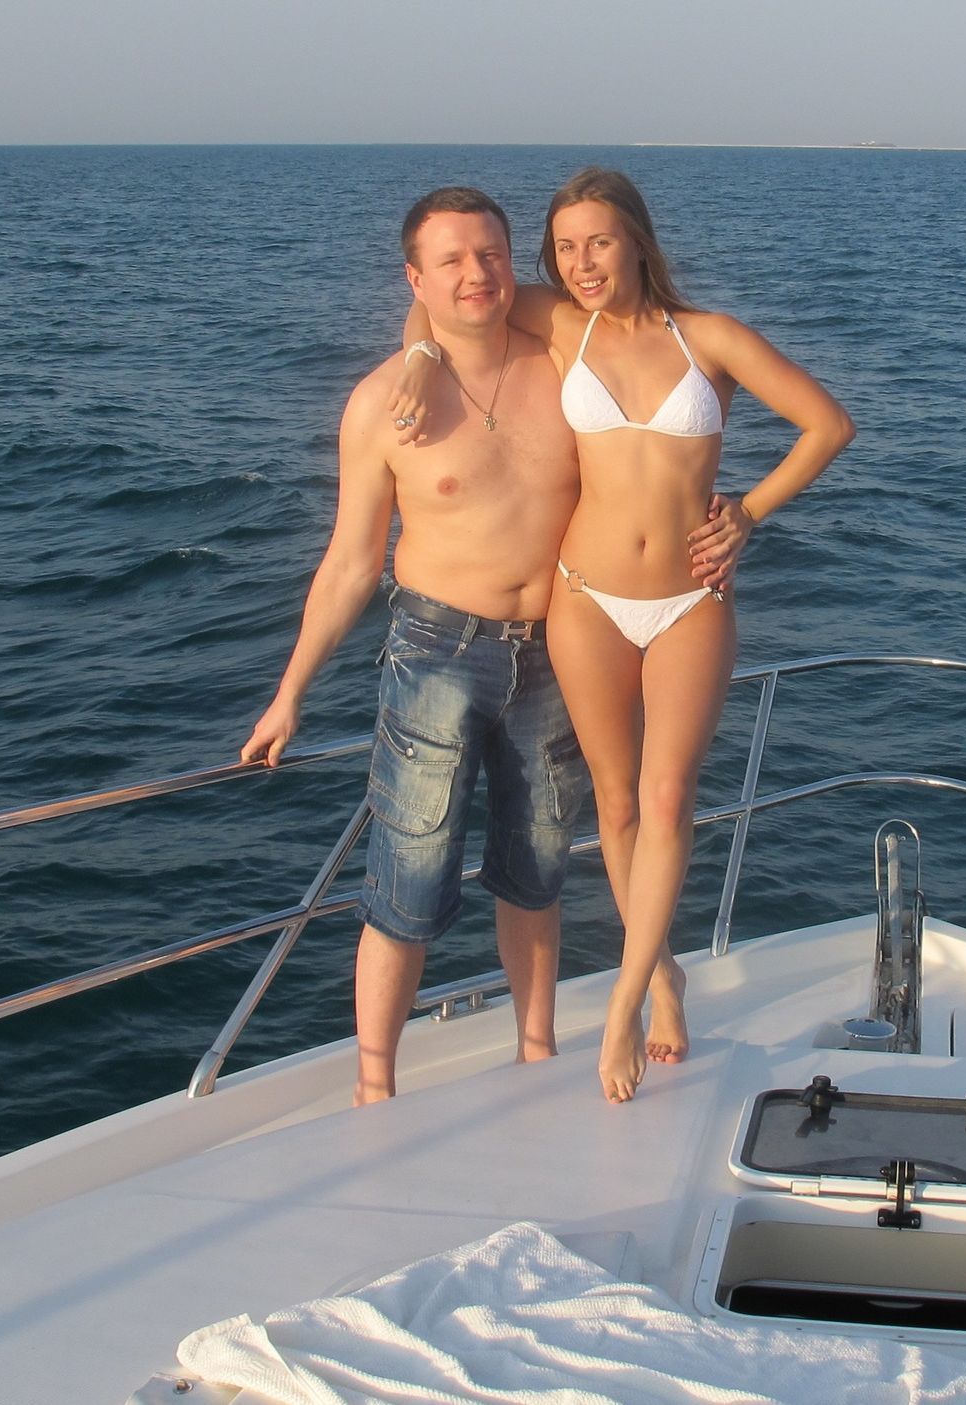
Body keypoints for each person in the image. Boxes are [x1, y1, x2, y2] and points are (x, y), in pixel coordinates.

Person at [392, 168, 854, 1104]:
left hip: (689, 599)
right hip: (586, 596)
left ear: (637, 240)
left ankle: (626, 1000)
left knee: (668, 795)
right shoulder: (562, 323)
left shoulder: (710, 338)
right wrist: (418, 361)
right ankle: (665, 971)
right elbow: (442, 305)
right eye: (563, 248)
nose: (581, 262)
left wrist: (749, 511)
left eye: (598, 241)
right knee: (614, 803)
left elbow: (826, 424)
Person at [241, 187, 587, 1106]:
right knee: (409, 872)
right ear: (414, 278)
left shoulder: (564, 365)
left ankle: (538, 1052)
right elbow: (351, 563)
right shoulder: (381, 406)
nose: (476, 273)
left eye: (491, 254)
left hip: (559, 650)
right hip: (437, 649)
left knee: (537, 870)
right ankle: (374, 1083)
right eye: (451, 260)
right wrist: (290, 691)